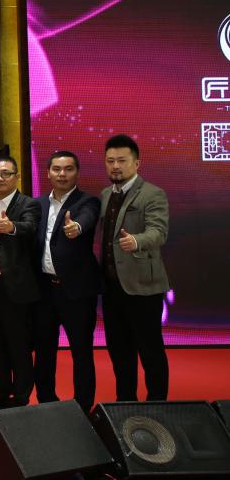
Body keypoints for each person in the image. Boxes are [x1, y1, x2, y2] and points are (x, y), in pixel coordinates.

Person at [100, 133, 170, 401]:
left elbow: (159, 232)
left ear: (137, 163)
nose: (115, 166)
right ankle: (125, 403)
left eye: (121, 160)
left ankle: (157, 404)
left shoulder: (152, 193)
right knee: (119, 351)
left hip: (143, 286)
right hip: (111, 287)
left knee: (150, 350)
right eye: (110, 161)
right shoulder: (106, 194)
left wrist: (137, 241)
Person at [34, 150, 101, 411]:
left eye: (68, 169)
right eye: (57, 169)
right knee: (44, 351)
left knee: (81, 352)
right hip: (44, 291)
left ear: (77, 173)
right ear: (48, 173)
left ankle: (82, 407)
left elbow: (87, 219)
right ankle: (46, 403)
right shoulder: (38, 204)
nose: (62, 174)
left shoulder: (87, 201)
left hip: (76, 292)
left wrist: (77, 227)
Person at [0, 150, 41, 411]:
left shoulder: (28, 204)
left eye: (5, 173)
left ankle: (21, 397)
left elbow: (30, 227)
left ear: (17, 176)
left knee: (18, 344)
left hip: (14, 286)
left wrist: (12, 227)